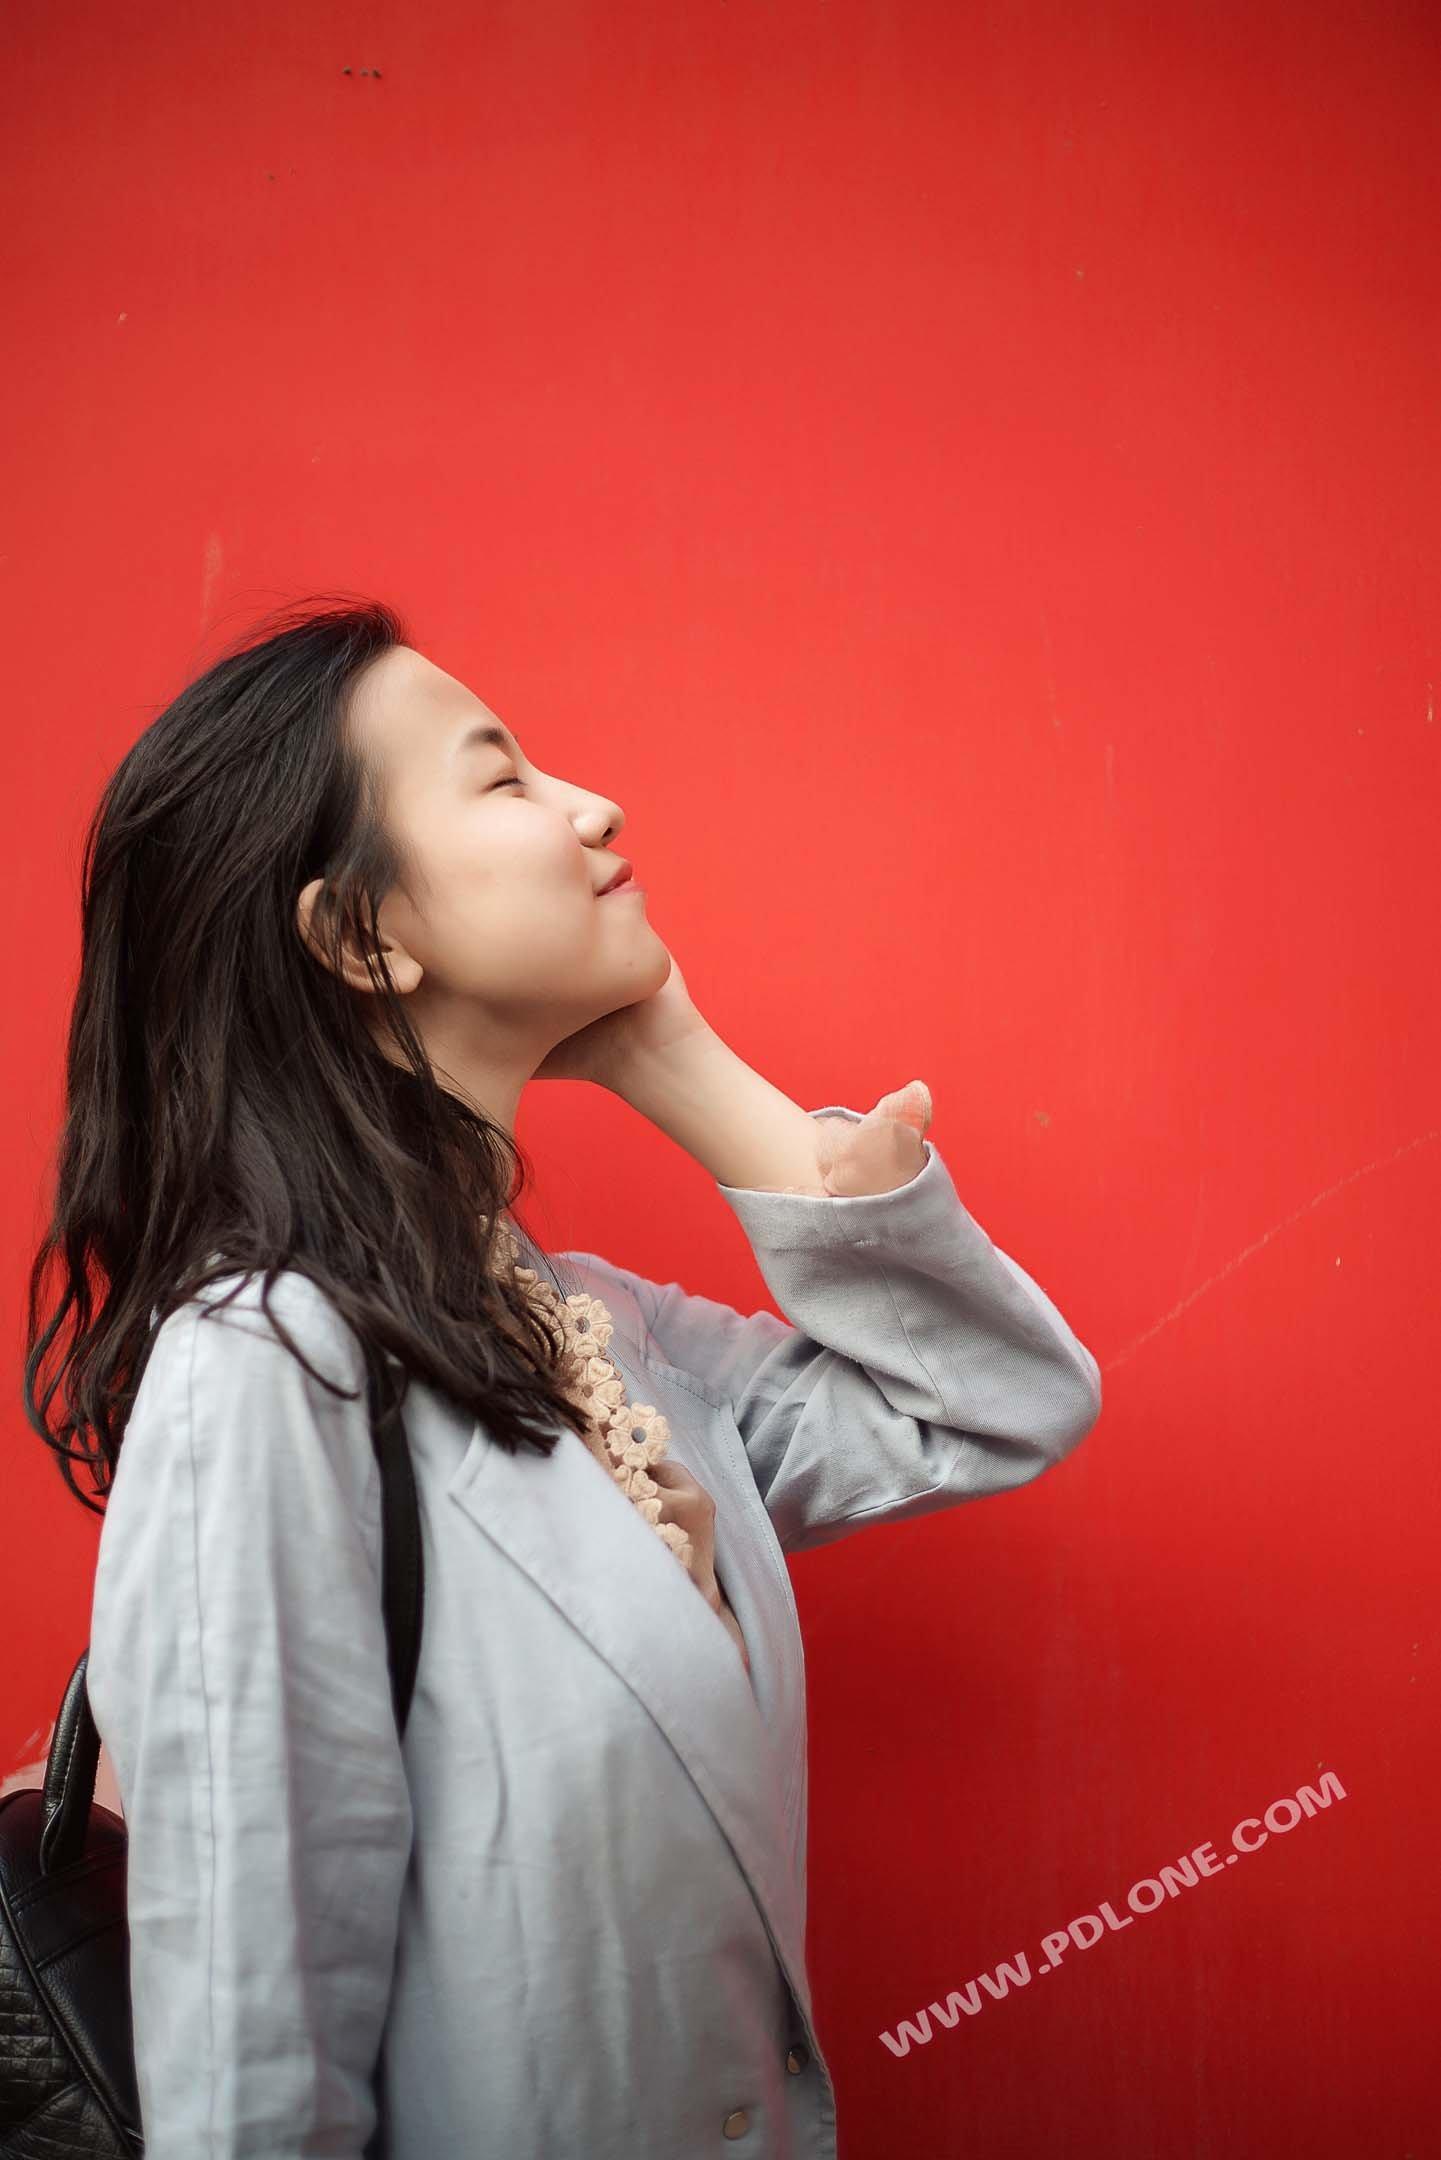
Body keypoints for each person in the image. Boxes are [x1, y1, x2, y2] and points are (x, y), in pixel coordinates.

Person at [26, 596, 1101, 2159]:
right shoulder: (264, 1364)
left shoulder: (597, 1331)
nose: (593, 807)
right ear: (359, 937)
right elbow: (255, 2070)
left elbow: (992, 1408)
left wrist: (676, 1062)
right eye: (502, 777)